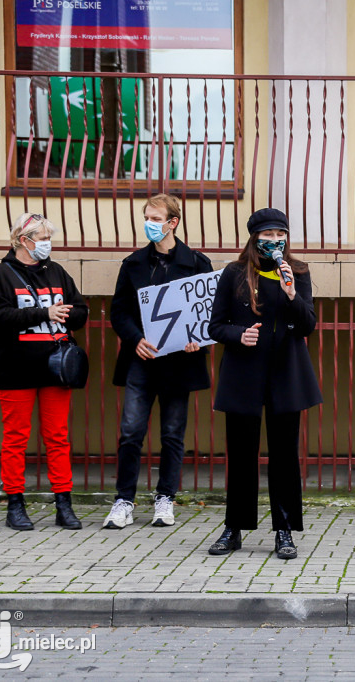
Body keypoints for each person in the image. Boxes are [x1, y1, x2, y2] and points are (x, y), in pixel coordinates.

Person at [206, 208, 322, 557]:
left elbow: (308, 325)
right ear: (254, 238)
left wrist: (291, 294)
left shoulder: (297, 273)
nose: (275, 241)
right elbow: (215, 326)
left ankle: (284, 530)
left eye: (280, 235)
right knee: (241, 454)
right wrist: (239, 335)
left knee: (284, 456)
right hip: (244, 373)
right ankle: (234, 528)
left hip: (285, 373)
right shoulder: (234, 273)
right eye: (268, 235)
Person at [103, 194, 214, 530]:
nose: (150, 224)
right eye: (147, 218)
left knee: (172, 434)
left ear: (173, 222)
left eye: (156, 218)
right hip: (143, 360)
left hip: (179, 363)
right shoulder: (134, 263)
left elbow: (207, 311)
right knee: (131, 432)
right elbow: (119, 311)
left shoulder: (196, 263)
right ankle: (124, 500)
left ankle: (165, 498)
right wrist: (135, 339)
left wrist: (198, 340)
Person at [0, 213, 88, 531]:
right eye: (41, 237)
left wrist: (69, 315)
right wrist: (45, 311)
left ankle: (64, 505)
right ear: (22, 239)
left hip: (56, 370)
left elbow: (80, 310)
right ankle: (15, 505)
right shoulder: (1, 274)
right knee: (16, 438)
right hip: (16, 369)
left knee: (58, 438)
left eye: (48, 237)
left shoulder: (57, 271)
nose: (46, 243)